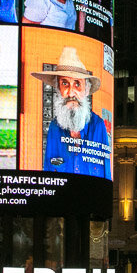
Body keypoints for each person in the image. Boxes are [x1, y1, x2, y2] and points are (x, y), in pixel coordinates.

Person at [33, 46, 112, 178]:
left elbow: (106, 174)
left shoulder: (98, 126)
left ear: (86, 90)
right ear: (58, 89)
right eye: (65, 83)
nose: (71, 92)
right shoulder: (54, 127)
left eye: (77, 84)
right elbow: (48, 170)